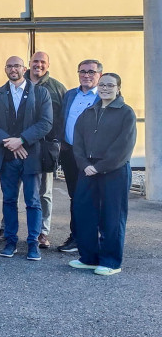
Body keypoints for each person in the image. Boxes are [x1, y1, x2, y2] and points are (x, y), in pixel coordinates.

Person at [0, 56, 53, 261]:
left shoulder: (41, 93)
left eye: (17, 66)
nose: (13, 69)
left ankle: (33, 243)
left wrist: (22, 140)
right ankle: (11, 241)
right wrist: (10, 142)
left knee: (32, 201)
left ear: (24, 69)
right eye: (9, 66)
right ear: (5, 69)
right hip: (6, 156)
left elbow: (46, 122)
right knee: (9, 200)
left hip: (31, 155)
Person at [69, 73, 137, 276]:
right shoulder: (89, 112)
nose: (105, 88)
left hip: (114, 171)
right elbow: (77, 141)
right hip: (87, 170)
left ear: (118, 88)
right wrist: (84, 164)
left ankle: (111, 262)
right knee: (84, 214)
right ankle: (89, 258)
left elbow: (123, 146)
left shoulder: (126, 113)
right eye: (102, 85)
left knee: (112, 217)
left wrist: (100, 167)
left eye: (110, 85)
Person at [56, 59, 103, 254]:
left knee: (93, 197)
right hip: (70, 154)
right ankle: (76, 236)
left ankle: (95, 237)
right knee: (75, 196)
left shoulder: (103, 96)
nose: (86, 75)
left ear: (99, 74)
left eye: (91, 72)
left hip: (93, 157)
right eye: (82, 71)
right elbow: (62, 119)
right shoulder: (69, 95)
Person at [25, 51, 66, 249]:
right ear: (29, 64)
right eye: (35, 61)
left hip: (45, 148)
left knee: (44, 192)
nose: (38, 65)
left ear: (48, 65)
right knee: (12, 191)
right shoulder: (17, 85)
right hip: (18, 147)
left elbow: (63, 118)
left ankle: (42, 232)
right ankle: (6, 228)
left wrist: (56, 142)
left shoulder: (57, 88)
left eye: (42, 62)